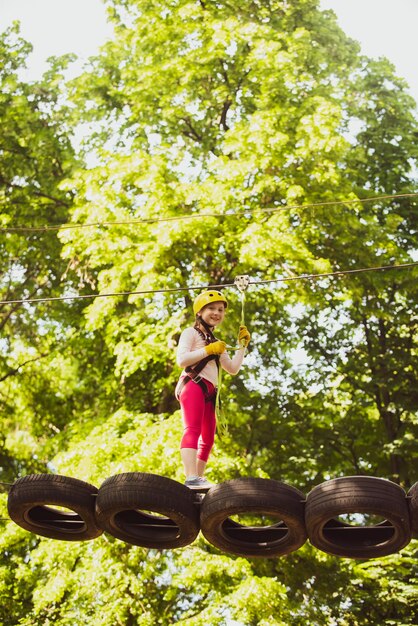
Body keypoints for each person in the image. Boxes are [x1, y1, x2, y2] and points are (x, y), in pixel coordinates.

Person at [175, 289, 250, 489]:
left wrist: (242, 346)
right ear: (199, 312)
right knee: (193, 429)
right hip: (193, 384)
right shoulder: (190, 333)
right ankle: (191, 476)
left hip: (210, 392)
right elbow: (182, 360)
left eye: (220, 310)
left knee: (208, 438)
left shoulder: (218, 343)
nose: (216, 313)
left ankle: (198, 480)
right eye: (211, 308)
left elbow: (232, 369)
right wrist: (207, 350)